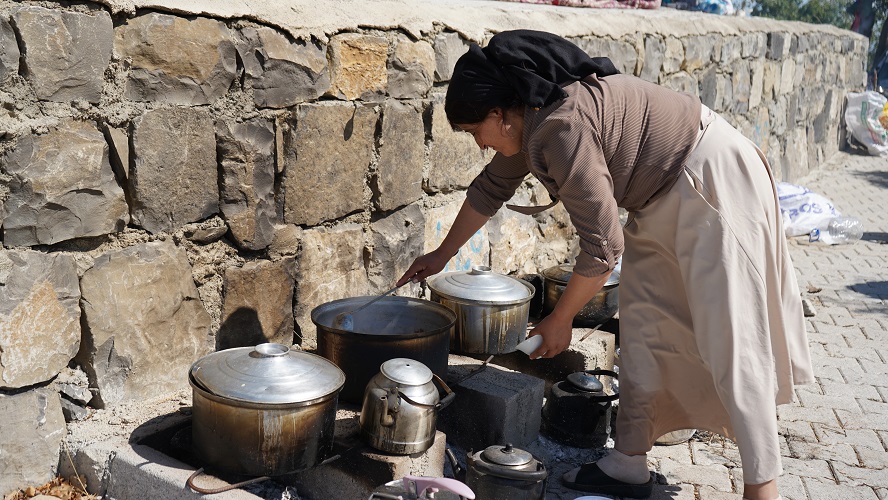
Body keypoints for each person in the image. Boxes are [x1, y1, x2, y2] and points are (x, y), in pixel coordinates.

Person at [396, 30, 814, 499]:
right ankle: (628, 462)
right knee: (646, 329)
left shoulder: (558, 125)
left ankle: (763, 487)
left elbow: (602, 245)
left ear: (500, 115)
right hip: (659, 198)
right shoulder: (529, 123)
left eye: (476, 132)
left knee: (732, 338)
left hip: (709, 180)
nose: (479, 144)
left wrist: (561, 318)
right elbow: (490, 189)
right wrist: (440, 255)